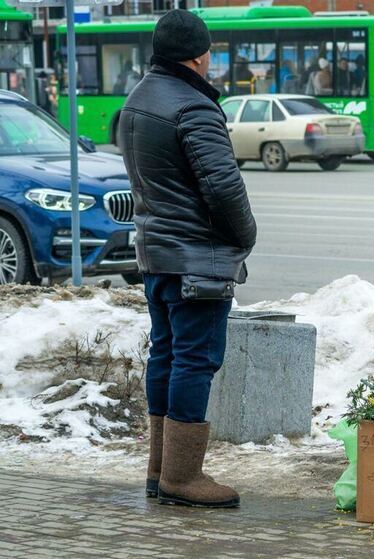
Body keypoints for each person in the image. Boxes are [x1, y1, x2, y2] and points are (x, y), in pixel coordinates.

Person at [117, 9, 257, 509]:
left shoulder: (138, 100)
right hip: (198, 260)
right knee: (195, 361)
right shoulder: (193, 107)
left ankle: (161, 471)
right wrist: (246, 235)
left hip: (157, 254)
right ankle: (183, 476)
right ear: (200, 57)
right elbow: (223, 188)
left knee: (168, 355)